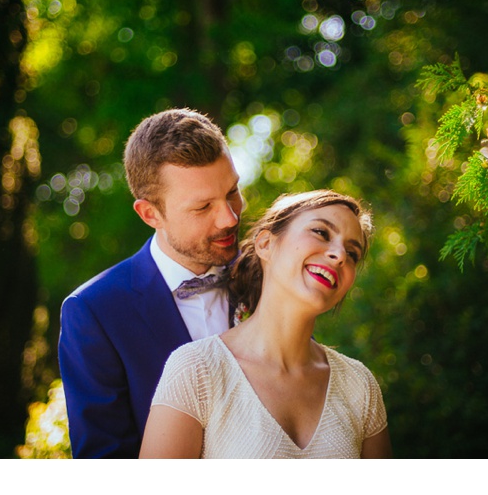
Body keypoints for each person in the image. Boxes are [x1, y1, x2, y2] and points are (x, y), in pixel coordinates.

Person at [139, 190, 392, 459]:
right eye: (321, 232)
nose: (339, 255)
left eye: (352, 253)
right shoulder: (196, 370)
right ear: (265, 244)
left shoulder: (360, 386)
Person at [58, 108, 245, 458]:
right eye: (203, 207)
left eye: (232, 191)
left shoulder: (269, 276)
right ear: (150, 214)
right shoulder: (95, 312)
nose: (230, 217)